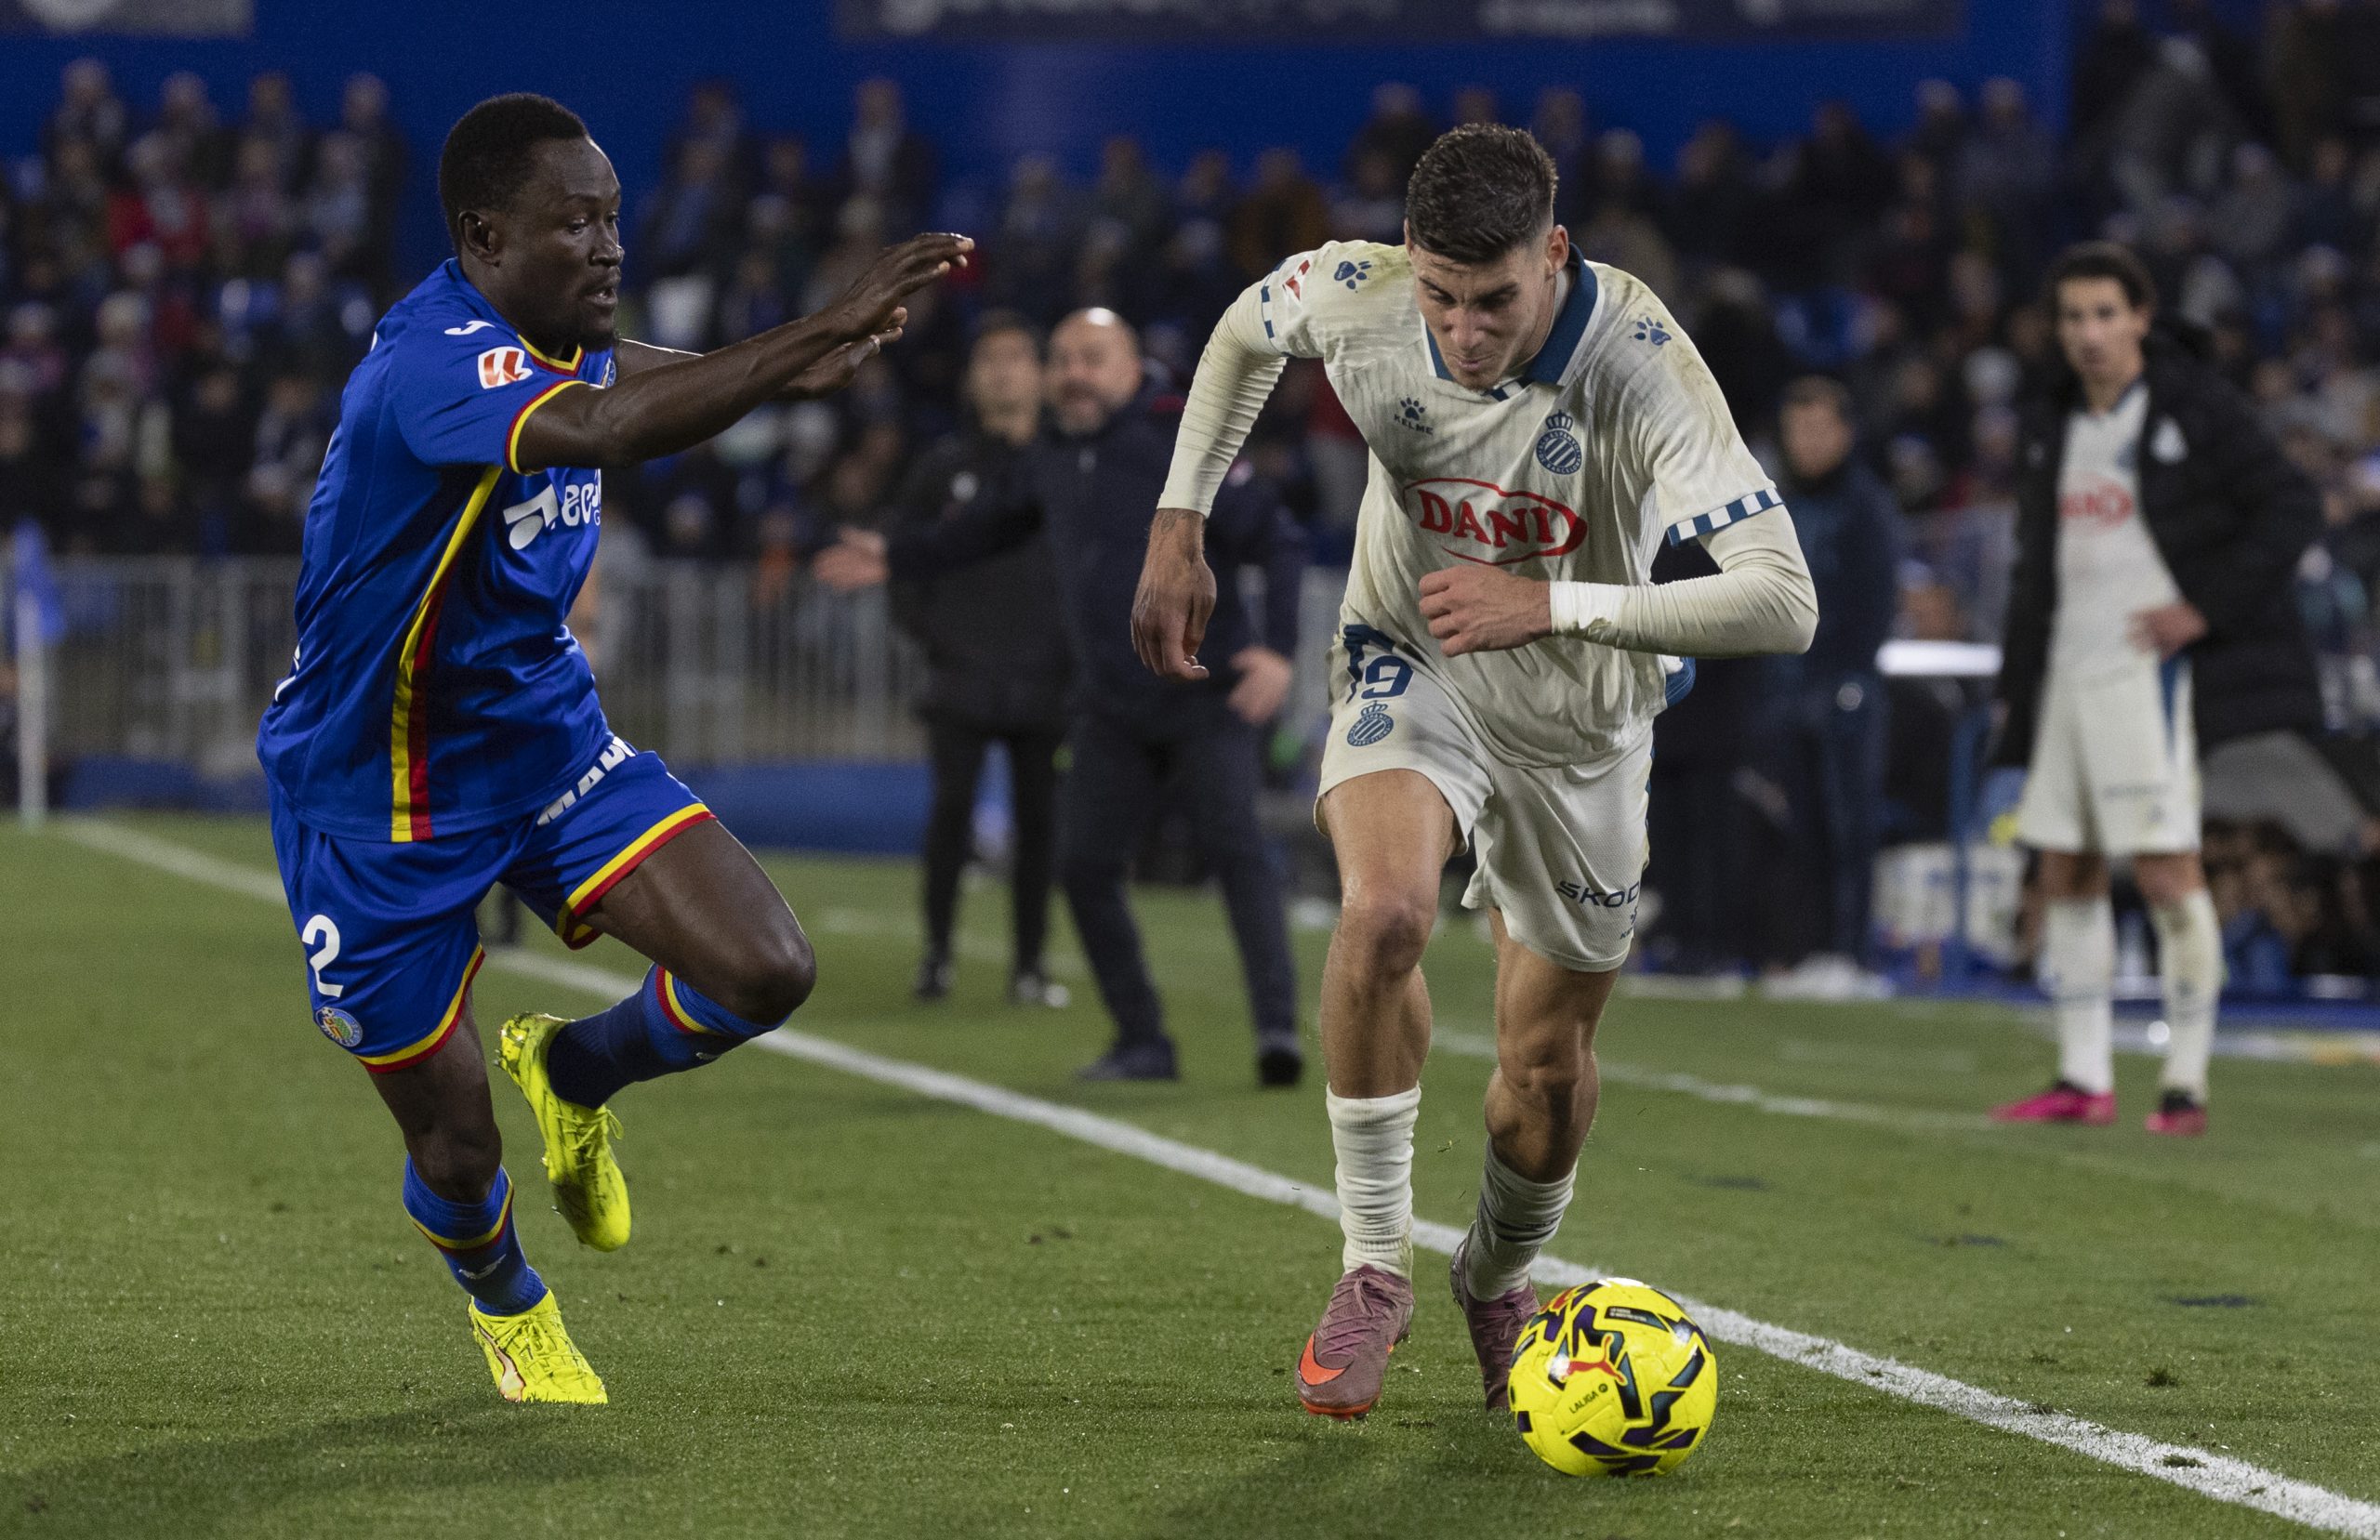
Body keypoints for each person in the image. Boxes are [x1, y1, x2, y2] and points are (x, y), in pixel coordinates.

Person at [254, 93, 968, 1403]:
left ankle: (574, 1064)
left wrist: (795, 360)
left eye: (614, 219)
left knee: (765, 969)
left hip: (540, 740)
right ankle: (508, 1301)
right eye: (572, 222)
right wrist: (819, 318)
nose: (606, 246)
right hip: (380, 795)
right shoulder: (430, 364)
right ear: (482, 237)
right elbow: (609, 427)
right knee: (459, 1149)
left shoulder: (559, 336)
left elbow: (630, 379)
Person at [1130, 125, 1817, 1419]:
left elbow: (1785, 603)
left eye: (1493, 298)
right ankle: (1373, 1267)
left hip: (1583, 722)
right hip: (1412, 655)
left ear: (1555, 255)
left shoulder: (1643, 365)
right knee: (1381, 911)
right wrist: (1182, 517)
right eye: (1439, 294)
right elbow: (1239, 331)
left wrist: (1551, 608)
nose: (1459, 329)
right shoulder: (1365, 297)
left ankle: (1496, 1276)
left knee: (1544, 1077)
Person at [817, 309, 1307, 1087]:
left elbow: (1275, 536)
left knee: (1238, 855)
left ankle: (1277, 1031)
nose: (1074, 373)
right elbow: (983, 527)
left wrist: (1278, 650)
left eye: (1093, 358)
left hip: (1202, 696)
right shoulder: (1050, 453)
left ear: (1131, 365)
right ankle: (1144, 1039)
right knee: (1081, 867)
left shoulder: (1182, 434)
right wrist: (897, 555)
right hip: (1109, 703)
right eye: (1064, 358)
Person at [1990, 242, 2321, 1137]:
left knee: (2169, 867)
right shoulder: (2053, 419)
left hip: (2150, 676)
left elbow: (2294, 505)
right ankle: (2084, 1076)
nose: (2089, 333)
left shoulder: (2193, 406)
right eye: (2073, 317)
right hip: (2066, 673)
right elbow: (2037, 566)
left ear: (2140, 316)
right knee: (2064, 865)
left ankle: (2183, 1085)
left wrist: (2202, 609)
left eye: (2106, 313)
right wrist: (2019, 681)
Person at [884, 314, 1071, 1007]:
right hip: (962, 672)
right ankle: (936, 955)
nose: (1002, 371)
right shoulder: (941, 467)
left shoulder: (1064, 464)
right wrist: (932, 635)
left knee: (1041, 822)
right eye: (989, 359)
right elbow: (901, 561)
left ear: (1041, 376)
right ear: (971, 378)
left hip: (1046, 676)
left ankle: (1030, 965)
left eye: (1017, 357)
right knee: (951, 814)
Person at [1763, 376, 1905, 996]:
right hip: (1789, 688)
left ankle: (1852, 954)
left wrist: (1847, 677)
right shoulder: (1780, 502)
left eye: (1820, 427)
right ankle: (1813, 951)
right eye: (1798, 428)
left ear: (1847, 433)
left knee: (1850, 826)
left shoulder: (1866, 505)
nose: (1808, 441)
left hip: (1845, 690)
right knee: (1803, 829)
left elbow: (1874, 600)